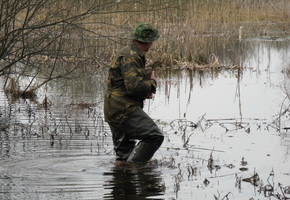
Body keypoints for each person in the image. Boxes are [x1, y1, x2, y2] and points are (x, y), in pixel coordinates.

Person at [104, 23, 164, 162]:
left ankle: (123, 178)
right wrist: (152, 84)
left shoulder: (129, 53)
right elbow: (134, 87)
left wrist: (143, 92)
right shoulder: (131, 56)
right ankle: (134, 169)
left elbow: (123, 85)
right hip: (123, 108)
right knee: (154, 136)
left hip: (115, 107)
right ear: (149, 41)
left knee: (124, 155)